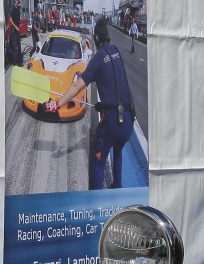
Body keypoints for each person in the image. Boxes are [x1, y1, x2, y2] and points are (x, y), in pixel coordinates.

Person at [47, 17, 137, 190]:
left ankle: (96, 199)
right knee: (118, 151)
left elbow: (76, 86)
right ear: (108, 36)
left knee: (98, 161)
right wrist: (103, 106)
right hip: (128, 120)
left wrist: (57, 104)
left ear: (95, 38)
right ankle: (117, 187)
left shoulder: (97, 60)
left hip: (112, 123)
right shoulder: (116, 50)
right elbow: (115, 83)